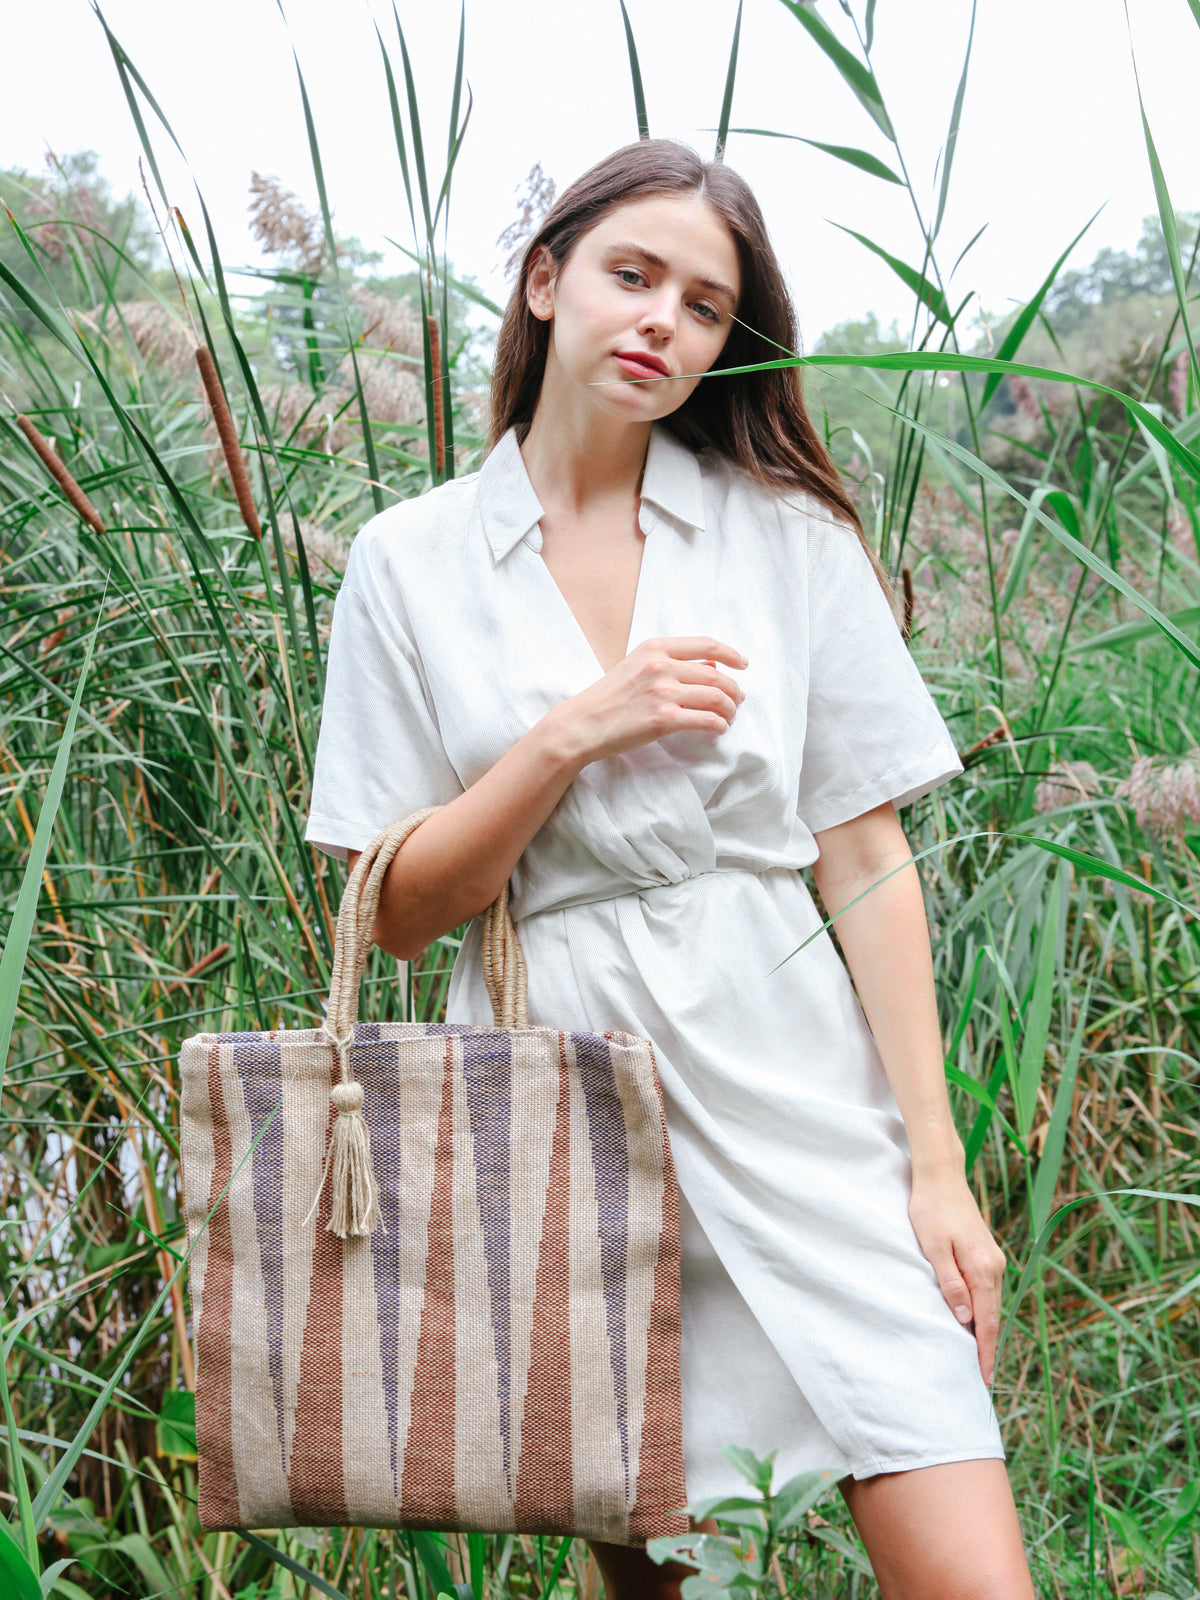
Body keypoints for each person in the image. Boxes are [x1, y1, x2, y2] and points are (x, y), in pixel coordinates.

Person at [304, 138, 1035, 1599]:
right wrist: (570, 735)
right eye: (633, 276)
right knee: (646, 1569)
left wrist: (938, 1171)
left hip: (792, 1076)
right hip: (561, 1096)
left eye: (705, 306)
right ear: (543, 279)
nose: (662, 322)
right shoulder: (411, 561)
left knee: (966, 1557)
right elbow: (395, 911)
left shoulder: (788, 539)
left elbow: (865, 857)